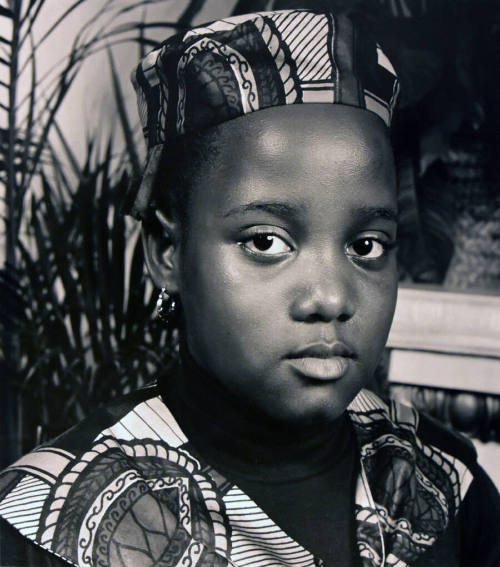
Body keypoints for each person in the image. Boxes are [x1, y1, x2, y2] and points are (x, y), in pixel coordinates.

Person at [0, 7, 499, 567]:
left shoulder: (445, 486)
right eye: (265, 242)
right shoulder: (44, 526)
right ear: (167, 252)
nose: (331, 298)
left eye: (366, 246)